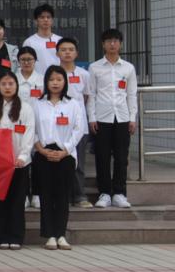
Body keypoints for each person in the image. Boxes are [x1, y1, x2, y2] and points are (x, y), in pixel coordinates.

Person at [33, 65, 86, 250]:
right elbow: (32, 129)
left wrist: (65, 150)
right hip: (44, 153)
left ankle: (61, 234)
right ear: (46, 82)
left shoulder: (73, 104)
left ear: (65, 82)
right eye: (51, 79)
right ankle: (49, 235)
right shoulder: (37, 104)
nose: (55, 83)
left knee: (63, 196)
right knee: (46, 196)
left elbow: (79, 129)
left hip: (65, 154)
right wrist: (41, 149)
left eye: (59, 79)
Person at [87, 29, 138, 209]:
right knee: (102, 157)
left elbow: (131, 94)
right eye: (109, 41)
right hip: (102, 118)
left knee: (121, 157)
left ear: (120, 44)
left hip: (122, 117)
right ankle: (104, 193)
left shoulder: (128, 68)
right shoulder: (95, 67)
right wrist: (91, 117)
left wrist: (132, 118)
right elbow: (91, 94)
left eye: (116, 41)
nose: (112, 44)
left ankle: (119, 193)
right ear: (103, 44)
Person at [0, 71, 36, 250]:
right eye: (3, 84)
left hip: (19, 163)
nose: (7, 87)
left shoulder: (26, 108)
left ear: (16, 86)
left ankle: (16, 236)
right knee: (0, 201)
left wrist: (23, 156)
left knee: (17, 201)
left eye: (11, 84)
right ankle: (2, 236)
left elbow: (29, 134)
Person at [56, 37, 93, 207]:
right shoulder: (53, 73)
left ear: (76, 53)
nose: (67, 53)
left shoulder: (84, 74)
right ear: (57, 53)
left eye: (71, 50)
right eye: (63, 50)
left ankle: (79, 196)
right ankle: (61, 196)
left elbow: (87, 97)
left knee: (78, 163)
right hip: (57, 126)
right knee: (59, 161)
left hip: (79, 126)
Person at [15, 46, 44, 210]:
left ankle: (37, 194)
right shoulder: (13, 79)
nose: (26, 62)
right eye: (23, 59)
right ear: (18, 61)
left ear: (35, 61)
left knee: (38, 159)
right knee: (22, 159)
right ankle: (24, 194)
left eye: (29, 59)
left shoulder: (42, 80)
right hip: (19, 124)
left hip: (39, 123)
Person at [23, 4, 62, 74]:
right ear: (36, 21)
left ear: (52, 20)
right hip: (37, 79)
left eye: (48, 17)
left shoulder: (60, 40)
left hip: (57, 78)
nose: (45, 20)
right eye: (42, 17)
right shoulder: (29, 42)